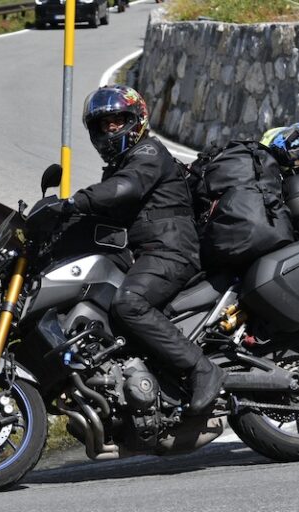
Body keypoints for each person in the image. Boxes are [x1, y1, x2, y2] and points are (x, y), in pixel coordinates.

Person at [60, 84, 226, 414]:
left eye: (117, 121)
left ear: (136, 120)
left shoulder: (148, 153)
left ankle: (202, 369)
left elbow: (125, 188)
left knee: (129, 303)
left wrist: (75, 201)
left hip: (172, 250)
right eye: (103, 124)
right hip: (149, 253)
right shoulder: (121, 166)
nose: (110, 130)